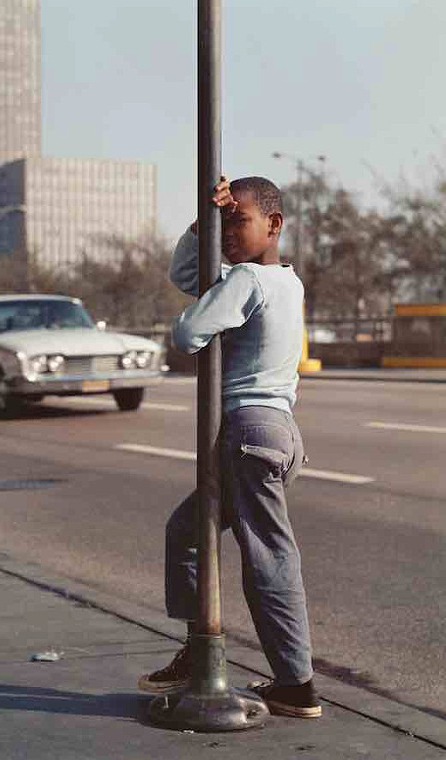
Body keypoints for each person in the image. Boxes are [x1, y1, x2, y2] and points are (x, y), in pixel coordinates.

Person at [138, 176, 321, 719]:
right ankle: (200, 652)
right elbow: (190, 276)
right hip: (278, 433)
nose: (229, 235)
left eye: (238, 221)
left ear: (274, 224)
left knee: (268, 555)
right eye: (223, 224)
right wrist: (202, 226)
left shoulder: (246, 280)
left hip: (248, 431)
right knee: (189, 531)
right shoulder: (288, 282)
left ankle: (296, 683)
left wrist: (201, 301)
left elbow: (188, 331)